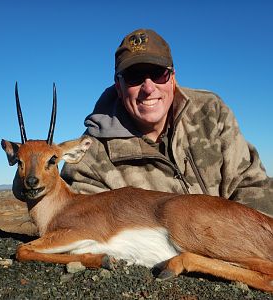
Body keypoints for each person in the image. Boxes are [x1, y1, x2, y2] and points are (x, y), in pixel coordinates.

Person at [61, 28, 273, 216]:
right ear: (119, 86)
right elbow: (83, 221)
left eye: (158, 74)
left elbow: (252, 185)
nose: (148, 88)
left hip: (238, 244)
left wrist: (240, 243)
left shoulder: (211, 112)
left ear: (172, 78)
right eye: (134, 76)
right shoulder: (90, 156)